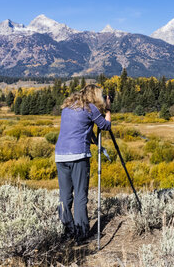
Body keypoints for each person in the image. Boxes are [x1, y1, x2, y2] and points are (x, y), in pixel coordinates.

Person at [55, 84, 111, 243]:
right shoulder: (90, 108)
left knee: (64, 196)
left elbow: (78, 128)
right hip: (78, 155)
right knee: (80, 195)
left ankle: (68, 231)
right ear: (94, 96)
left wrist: (92, 138)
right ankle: (82, 234)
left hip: (60, 155)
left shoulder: (67, 108)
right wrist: (108, 109)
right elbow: (105, 125)